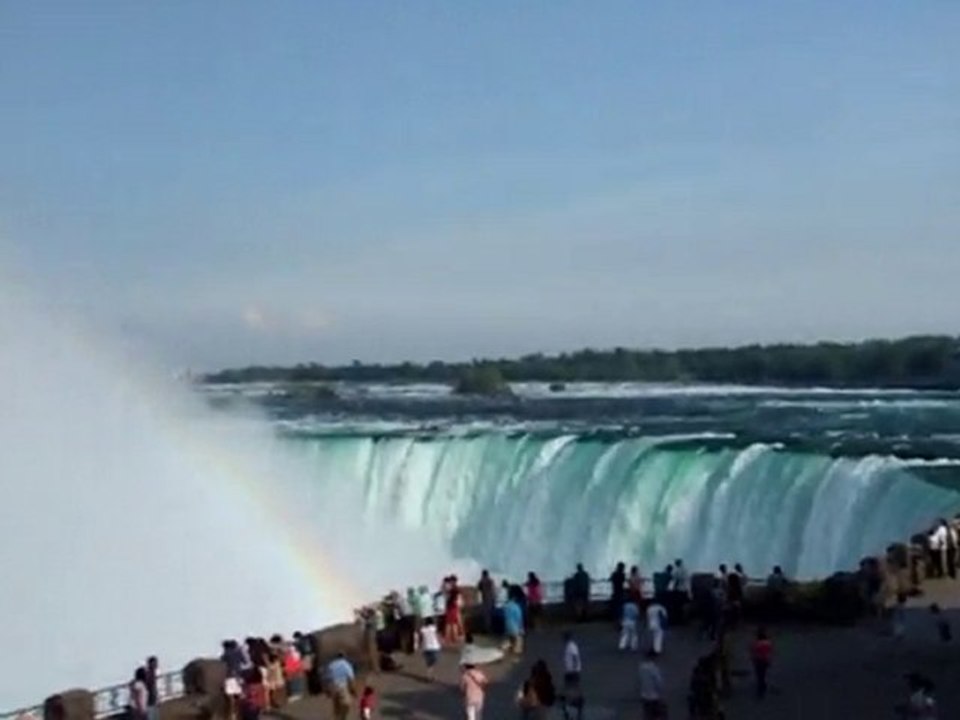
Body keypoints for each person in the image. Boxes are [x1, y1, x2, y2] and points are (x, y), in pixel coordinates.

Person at [325, 653, 357, 720]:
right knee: (346, 703)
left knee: (337, 706)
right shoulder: (346, 665)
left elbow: (327, 678)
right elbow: (351, 678)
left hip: (333, 686)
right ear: (344, 657)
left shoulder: (331, 665)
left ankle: (337, 718)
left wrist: (327, 690)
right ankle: (342, 718)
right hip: (342, 686)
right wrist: (353, 690)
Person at [638, 650, 666, 719]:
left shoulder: (641, 667)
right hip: (654, 696)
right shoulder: (654, 669)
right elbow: (659, 682)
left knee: (647, 715)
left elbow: (640, 681)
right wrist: (661, 693)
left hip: (644, 695)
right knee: (657, 715)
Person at [751, 627, 773, 699]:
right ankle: (762, 685)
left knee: (759, 674)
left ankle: (761, 687)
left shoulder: (756, 644)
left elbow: (753, 652)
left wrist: (753, 660)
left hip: (758, 660)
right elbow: (769, 652)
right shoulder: (768, 643)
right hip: (765, 660)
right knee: (763, 673)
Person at [478, 570, 497, 634]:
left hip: (486, 600)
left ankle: (487, 629)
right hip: (491, 599)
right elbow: (493, 590)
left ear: (483, 574)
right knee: (490, 615)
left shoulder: (482, 581)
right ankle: (490, 629)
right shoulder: (491, 581)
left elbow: (479, 589)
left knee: (486, 615)